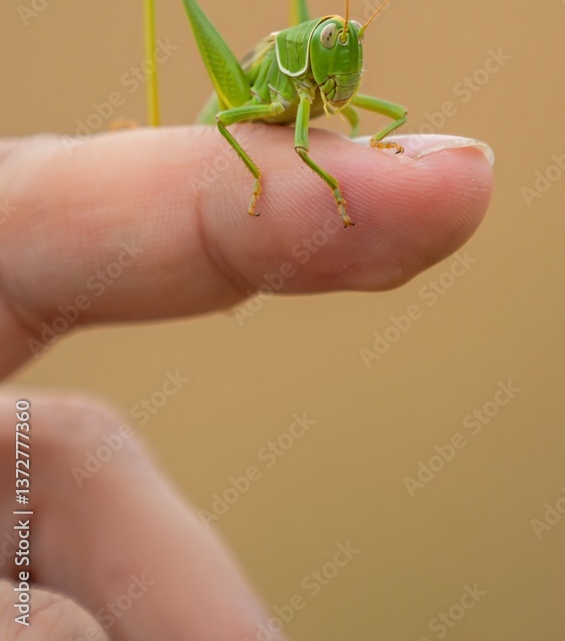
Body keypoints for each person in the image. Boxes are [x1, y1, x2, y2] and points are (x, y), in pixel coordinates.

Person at [0, 125, 493, 639]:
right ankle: (153, 119)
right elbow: (248, 130)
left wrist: (378, 140)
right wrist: (258, 178)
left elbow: (370, 122)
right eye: (334, 36)